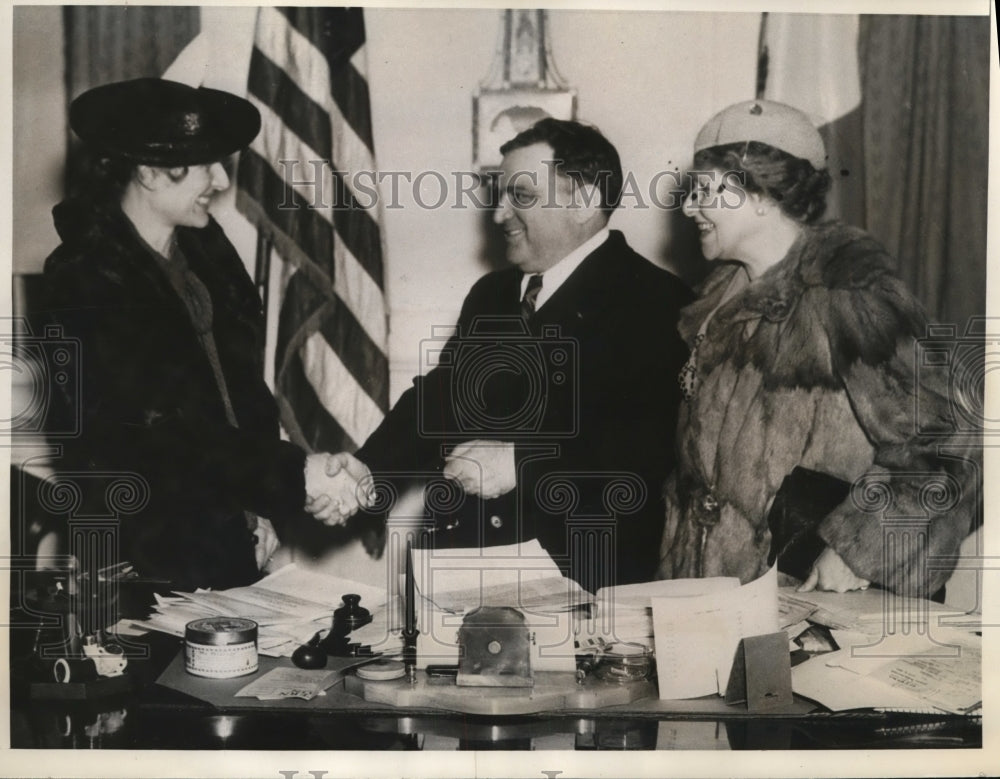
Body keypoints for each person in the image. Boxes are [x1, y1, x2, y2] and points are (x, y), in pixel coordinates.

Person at [42, 78, 369, 591]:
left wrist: (257, 512)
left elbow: (240, 396)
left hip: (225, 532)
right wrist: (292, 476)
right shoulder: (85, 276)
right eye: (205, 165)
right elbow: (156, 432)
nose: (220, 179)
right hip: (143, 551)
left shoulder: (207, 258)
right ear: (150, 172)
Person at [341, 118, 692, 592]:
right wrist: (366, 469)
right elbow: (441, 399)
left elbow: (650, 445)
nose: (500, 214)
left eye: (521, 196)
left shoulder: (658, 301)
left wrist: (522, 464)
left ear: (584, 201)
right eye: (499, 196)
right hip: (463, 562)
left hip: (581, 577)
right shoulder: (491, 294)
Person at [658, 99, 980, 597]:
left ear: (760, 193)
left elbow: (950, 445)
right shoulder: (717, 302)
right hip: (711, 600)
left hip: (807, 605)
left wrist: (860, 549)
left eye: (703, 190)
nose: (687, 207)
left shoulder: (849, 295)